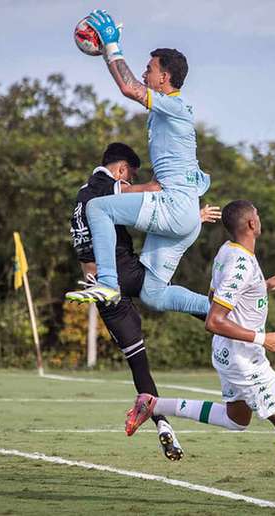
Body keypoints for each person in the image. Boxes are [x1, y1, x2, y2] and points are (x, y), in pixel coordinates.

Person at [123, 200, 275, 511]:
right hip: (244, 359)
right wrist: (263, 338)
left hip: (231, 355)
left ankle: (153, 404)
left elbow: (218, 295)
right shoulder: (239, 262)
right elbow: (213, 319)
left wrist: (263, 287)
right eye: (257, 215)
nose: (259, 219)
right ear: (251, 225)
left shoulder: (229, 251)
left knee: (236, 419)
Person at [71, 142, 221, 461]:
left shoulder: (83, 194)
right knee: (161, 292)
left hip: (96, 282)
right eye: (130, 176)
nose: (129, 182)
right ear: (121, 170)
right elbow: (139, 198)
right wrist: (155, 188)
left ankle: (163, 425)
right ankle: (221, 318)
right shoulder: (101, 183)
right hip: (120, 271)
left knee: (138, 361)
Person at [66, 9, 210, 319]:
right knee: (153, 295)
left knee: (98, 208)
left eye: (149, 69)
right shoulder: (166, 109)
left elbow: (129, 88)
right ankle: (219, 310)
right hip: (184, 216)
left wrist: (113, 47)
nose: (145, 74)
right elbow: (130, 85)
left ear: (165, 77)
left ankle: (106, 282)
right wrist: (107, 52)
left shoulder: (174, 105)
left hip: (176, 206)